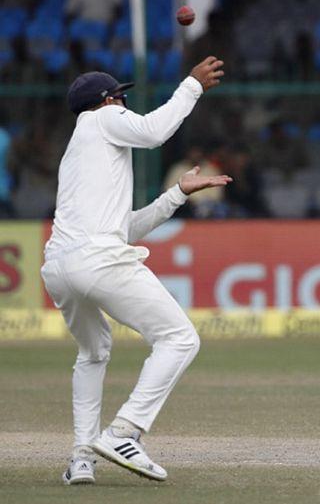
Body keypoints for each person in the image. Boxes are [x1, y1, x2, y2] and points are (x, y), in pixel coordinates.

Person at [41, 57, 227, 486]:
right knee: (179, 338)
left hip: (60, 267)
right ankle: (125, 432)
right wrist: (192, 86)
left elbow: (125, 228)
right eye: (119, 96)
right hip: (96, 260)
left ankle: (82, 456)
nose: (124, 101)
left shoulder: (83, 152)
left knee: (93, 353)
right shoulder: (101, 120)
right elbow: (155, 132)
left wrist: (177, 193)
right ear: (107, 101)